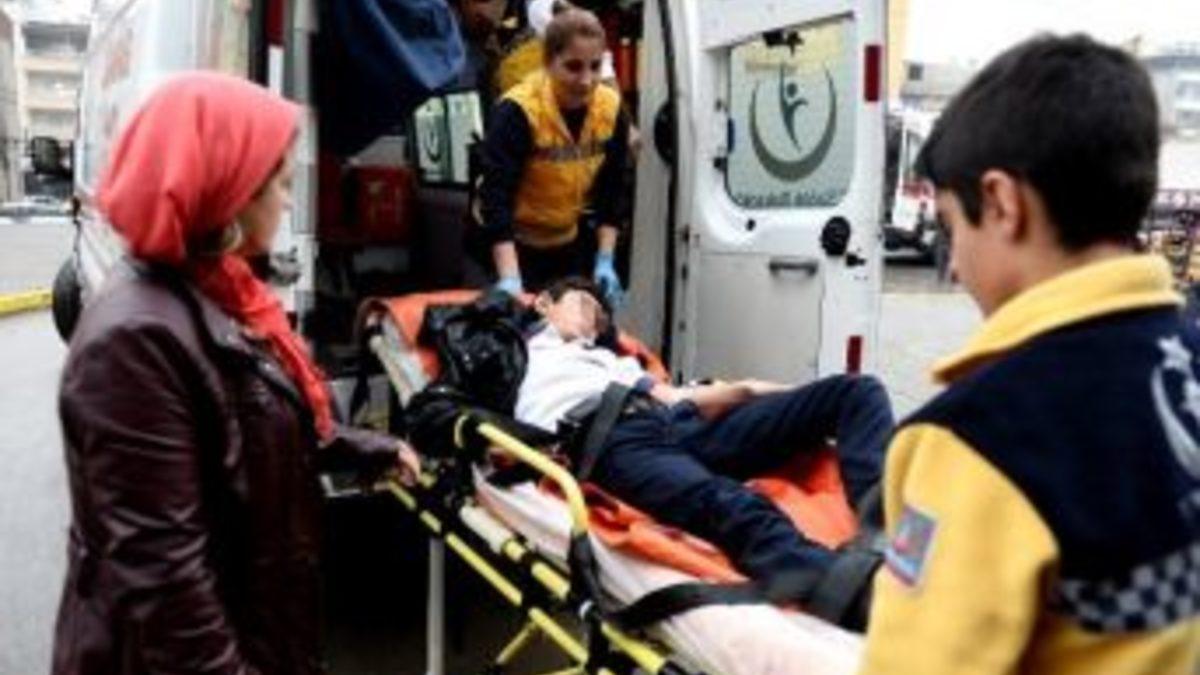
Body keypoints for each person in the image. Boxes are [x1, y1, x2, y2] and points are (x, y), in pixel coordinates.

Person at [51, 73, 420, 675]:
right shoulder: (135, 341)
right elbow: (169, 590)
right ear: (231, 190)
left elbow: (248, 433)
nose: (290, 202)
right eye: (281, 184)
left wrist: (368, 447)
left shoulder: (217, 290)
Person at [859, 35, 1200, 674]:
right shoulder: (1188, 356)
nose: (955, 264)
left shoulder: (980, 441)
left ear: (1001, 204)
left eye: (951, 228)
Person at [515, 278, 895, 628]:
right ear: (544, 303)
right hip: (610, 435)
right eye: (584, 305)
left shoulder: (612, 360)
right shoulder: (517, 351)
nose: (592, 323)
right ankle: (856, 592)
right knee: (734, 504)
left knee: (857, 391)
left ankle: (884, 528)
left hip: (674, 421)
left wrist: (768, 393)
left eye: (600, 320)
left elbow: (675, 397)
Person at [480, 8, 629, 304]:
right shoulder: (518, 112)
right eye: (573, 67)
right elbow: (496, 199)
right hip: (511, 244)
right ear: (548, 62)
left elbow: (612, 192)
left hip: (566, 242)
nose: (586, 80)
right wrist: (510, 279)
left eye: (595, 66)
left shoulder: (610, 110)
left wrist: (605, 260)